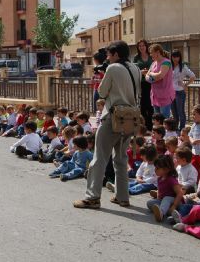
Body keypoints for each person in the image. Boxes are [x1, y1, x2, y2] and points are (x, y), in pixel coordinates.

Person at [73, 41, 141, 209]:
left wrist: (105, 76)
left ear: (116, 54)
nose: (108, 59)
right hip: (130, 118)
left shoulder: (112, 68)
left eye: (109, 55)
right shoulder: (136, 68)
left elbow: (102, 93)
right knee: (121, 158)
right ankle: (122, 196)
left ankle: (92, 197)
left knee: (99, 158)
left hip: (113, 116)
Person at [144, 44, 175, 118]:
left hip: (165, 96)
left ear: (158, 52)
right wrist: (153, 78)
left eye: (152, 52)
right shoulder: (153, 63)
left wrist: (151, 74)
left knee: (164, 119)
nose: (150, 55)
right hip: (155, 96)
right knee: (157, 119)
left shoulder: (166, 62)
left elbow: (160, 75)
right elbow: (146, 76)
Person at [170, 50, 195, 130]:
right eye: (173, 56)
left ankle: (182, 128)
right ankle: (176, 128)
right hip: (170, 92)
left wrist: (185, 85)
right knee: (174, 112)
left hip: (179, 91)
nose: (175, 58)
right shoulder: (169, 66)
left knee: (180, 111)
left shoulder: (183, 67)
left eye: (177, 56)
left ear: (180, 57)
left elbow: (193, 76)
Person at [133, 39, 154, 130]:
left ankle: (151, 125)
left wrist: (150, 72)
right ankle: (144, 126)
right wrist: (140, 72)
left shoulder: (151, 56)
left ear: (146, 46)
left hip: (151, 83)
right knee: (143, 105)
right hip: (141, 84)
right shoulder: (136, 57)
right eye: (140, 46)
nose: (141, 47)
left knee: (151, 105)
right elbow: (133, 69)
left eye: (143, 45)